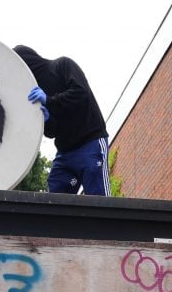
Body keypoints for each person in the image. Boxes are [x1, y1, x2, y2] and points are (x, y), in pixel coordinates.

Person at [13, 45, 110, 196]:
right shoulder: (33, 92)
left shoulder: (62, 65)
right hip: (65, 153)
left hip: (90, 143)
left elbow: (81, 93)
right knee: (55, 198)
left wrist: (49, 100)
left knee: (98, 198)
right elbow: (52, 132)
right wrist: (47, 119)